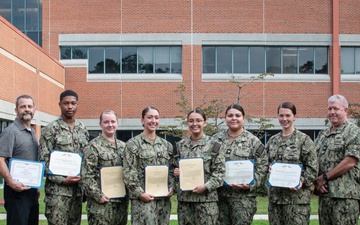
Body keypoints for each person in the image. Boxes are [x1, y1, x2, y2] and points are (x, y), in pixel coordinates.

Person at [211, 104, 268, 225]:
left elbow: (262, 167)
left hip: (243, 200)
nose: (234, 118)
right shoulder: (215, 140)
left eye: (238, 115)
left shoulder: (253, 141)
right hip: (219, 198)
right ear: (225, 118)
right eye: (230, 115)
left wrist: (251, 184)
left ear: (244, 118)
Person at [39, 90, 89, 225]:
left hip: (77, 192)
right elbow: (43, 161)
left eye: (73, 103)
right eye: (66, 103)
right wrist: (62, 180)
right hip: (57, 194)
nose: (70, 107)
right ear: (60, 105)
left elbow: (85, 160)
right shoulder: (50, 129)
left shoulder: (82, 129)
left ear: (78, 105)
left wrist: (85, 185)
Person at [266, 102, 318, 225]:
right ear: (277, 117)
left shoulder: (304, 140)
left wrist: (303, 181)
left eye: (288, 116)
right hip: (275, 201)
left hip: (297, 202)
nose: (284, 119)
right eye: (281, 115)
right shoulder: (273, 141)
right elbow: (265, 163)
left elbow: (313, 167)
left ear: (295, 117)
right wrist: (268, 168)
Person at [123, 106, 175, 225]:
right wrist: (140, 193)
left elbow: (171, 170)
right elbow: (128, 172)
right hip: (143, 201)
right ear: (142, 120)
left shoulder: (167, 145)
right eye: (149, 117)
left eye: (156, 118)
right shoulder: (132, 145)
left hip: (163, 201)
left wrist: (171, 186)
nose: (153, 121)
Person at [314, 94, 360, 225]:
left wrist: (325, 177)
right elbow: (314, 160)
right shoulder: (323, 134)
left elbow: (350, 161)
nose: (332, 112)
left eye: (336, 108)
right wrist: (317, 181)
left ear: (345, 110)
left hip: (345, 197)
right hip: (325, 196)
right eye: (329, 109)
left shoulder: (353, 132)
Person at [174, 109, 225, 225]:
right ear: (187, 123)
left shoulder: (214, 145)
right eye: (191, 121)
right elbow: (173, 170)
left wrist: (206, 186)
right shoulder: (180, 146)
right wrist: (176, 173)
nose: (194, 124)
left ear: (205, 123)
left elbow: (220, 173)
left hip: (206, 201)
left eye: (198, 120)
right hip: (185, 201)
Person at [81, 110, 129, 225]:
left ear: (117, 123)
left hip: (121, 203)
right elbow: (86, 175)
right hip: (101, 205)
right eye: (106, 122)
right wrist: (98, 195)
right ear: (100, 124)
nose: (110, 125)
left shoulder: (124, 147)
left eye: (113, 121)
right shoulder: (93, 147)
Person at [0, 95, 39, 225]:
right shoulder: (11, 132)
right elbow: (0, 159)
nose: (26, 109)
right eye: (23, 106)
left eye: (29, 106)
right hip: (16, 192)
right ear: (16, 110)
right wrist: (11, 182)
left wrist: (36, 186)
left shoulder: (31, 131)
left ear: (34, 110)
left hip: (31, 191)